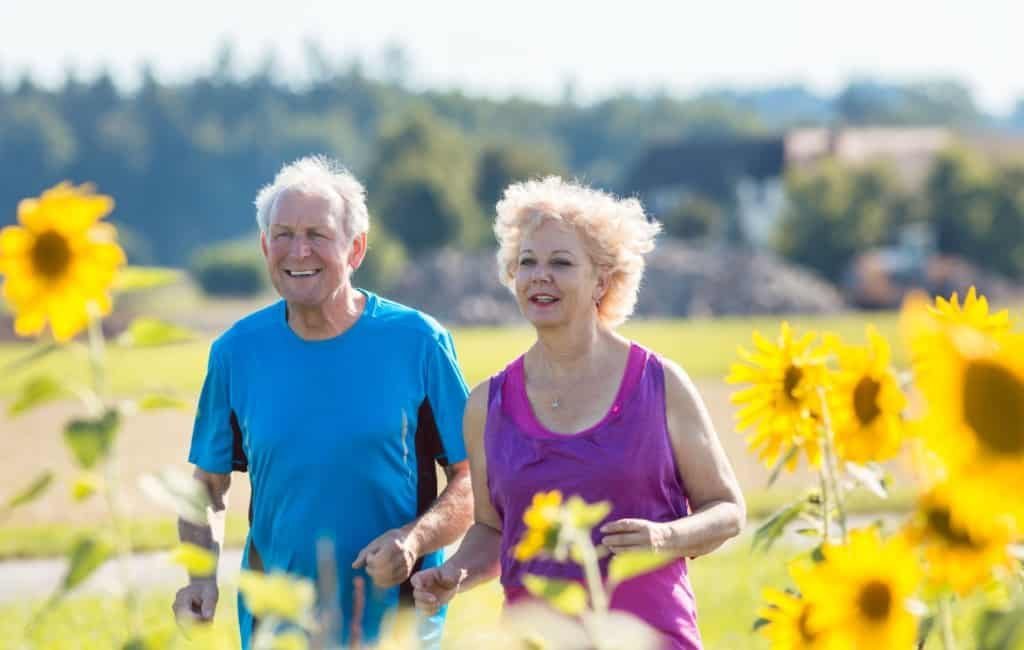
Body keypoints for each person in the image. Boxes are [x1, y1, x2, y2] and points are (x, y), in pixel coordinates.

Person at [410, 177, 746, 649]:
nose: (539, 275)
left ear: (602, 281)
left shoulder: (660, 383)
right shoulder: (488, 404)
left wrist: (665, 538)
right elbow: (492, 528)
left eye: (561, 263)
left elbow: (727, 510)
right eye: (527, 262)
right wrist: (453, 574)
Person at [172, 155, 473, 649]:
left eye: (318, 233)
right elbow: (206, 487)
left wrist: (415, 539)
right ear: (265, 246)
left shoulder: (419, 341)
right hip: (278, 625)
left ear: (355, 249)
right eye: (284, 234)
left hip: (395, 627)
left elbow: (471, 480)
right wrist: (199, 576)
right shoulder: (236, 352)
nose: (299, 250)